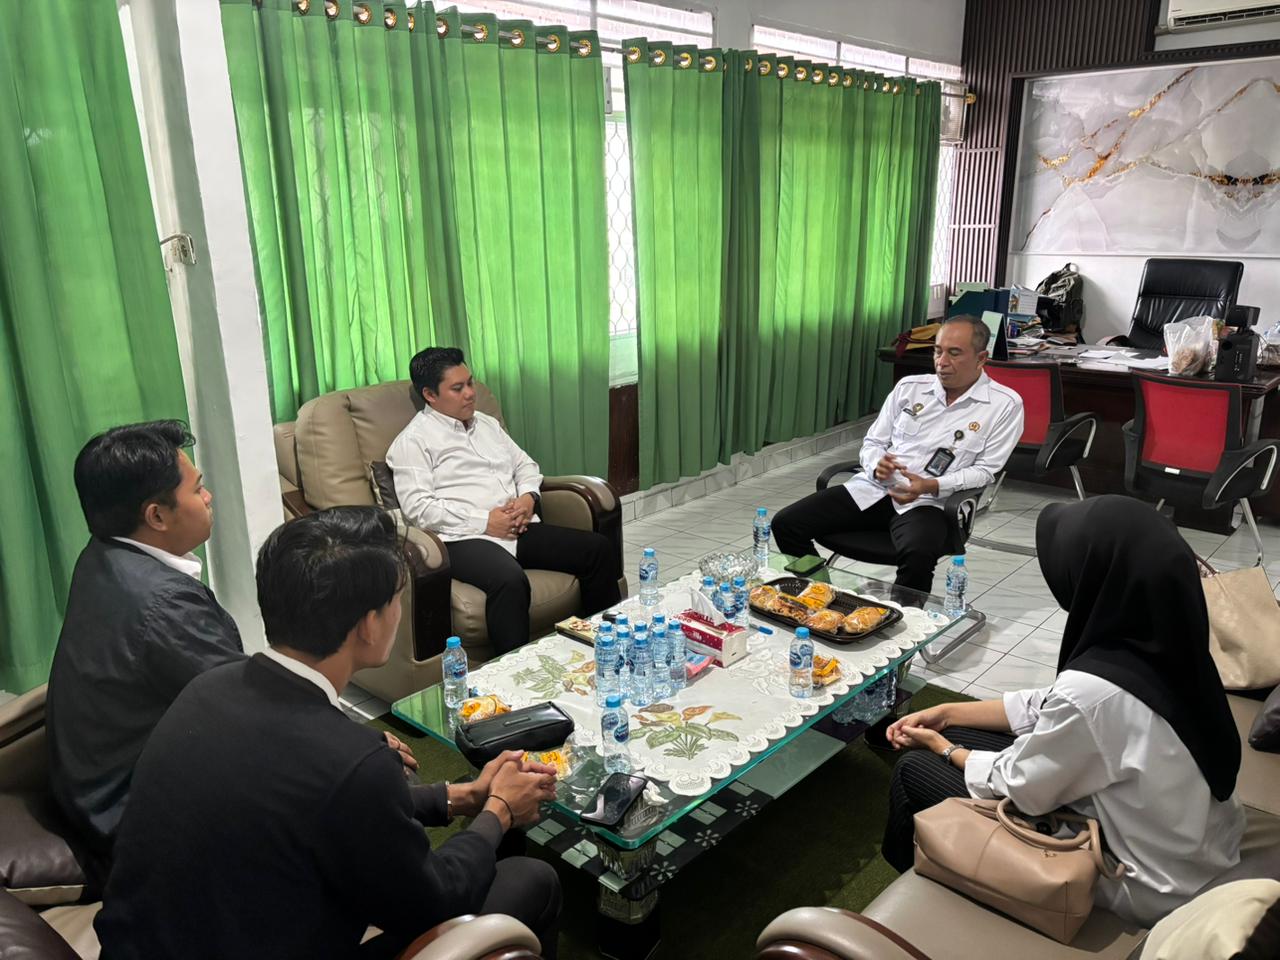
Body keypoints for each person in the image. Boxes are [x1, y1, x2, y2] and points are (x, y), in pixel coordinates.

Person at [95, 507, 563, 960]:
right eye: (396, 599)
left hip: (138, 945)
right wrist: (499, 811)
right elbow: (436, 899)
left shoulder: (207, 688)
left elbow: (318, 801)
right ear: (369, 625)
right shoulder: (352, 760)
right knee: (531, 880)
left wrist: (458, 798)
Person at [880, 496, 1245, 925]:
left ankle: (917, 915)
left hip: (1147, 881)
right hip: (1196, 849)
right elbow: (1050, 704)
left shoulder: (1096, 692)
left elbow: (1023, 786)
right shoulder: (1166, 641)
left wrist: (942, 747)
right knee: (971, 739)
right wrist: (948, 714)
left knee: (914, 771)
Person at [46, 421, 243, 868]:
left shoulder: (102, 555)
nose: (209, 497)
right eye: (198, 488)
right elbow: (247, 711)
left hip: (95, 794)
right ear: (156, 516)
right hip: (132, 818)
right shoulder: (165, 604)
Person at [387, 347, 621, 654]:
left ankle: (603, 650)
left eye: (470, 382)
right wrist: (486, 521)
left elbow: (525, 465)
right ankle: (514, 676)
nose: (470, 393)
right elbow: (419, 508)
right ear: (430, 395)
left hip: (516, 526)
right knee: (509, 581)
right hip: (462, 538)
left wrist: (528, 497)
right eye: (457, 388)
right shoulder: (413, 441)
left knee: (597, 550)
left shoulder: (486, 424)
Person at [772, 315, 1023, 595]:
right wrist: (876, 464)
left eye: (954, 353)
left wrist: (930, 485)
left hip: (930, 503)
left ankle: (904, 618)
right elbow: (873, 442)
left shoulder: (1004, 405)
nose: (941, 362)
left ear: (981, 358)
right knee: (786, 524)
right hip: (874, 489)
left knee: (918, 555)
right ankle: (820, 593)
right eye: (937, 351)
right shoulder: (909, 388)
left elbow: (986, 470)